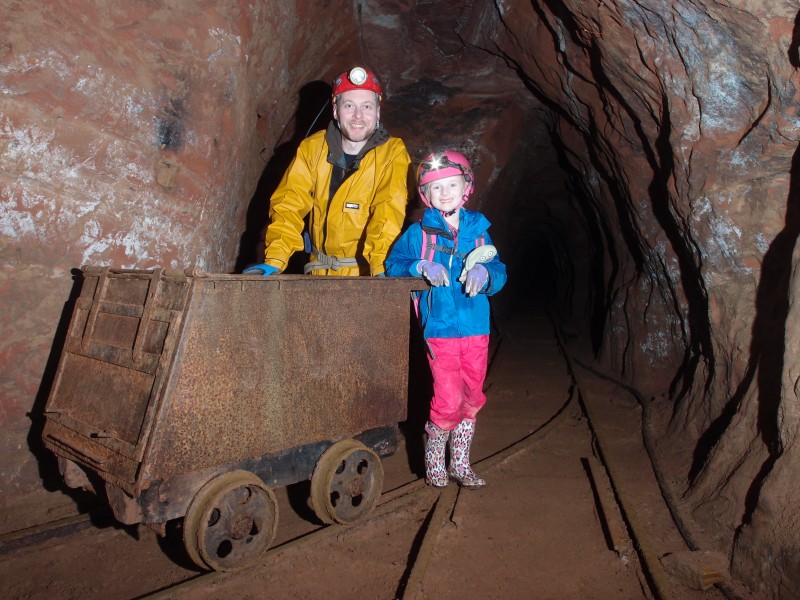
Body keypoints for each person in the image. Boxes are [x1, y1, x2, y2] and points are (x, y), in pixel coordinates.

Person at [385, 150, 507, 489]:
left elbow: (500, 270)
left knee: (473, 397)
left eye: (451, 184)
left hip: (476, 329)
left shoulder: (480, 232)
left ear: (466, 187)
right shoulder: (418, 234)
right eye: (436, 188)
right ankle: (434, 457)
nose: (445, 192)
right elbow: (392, 266)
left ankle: (462, 463)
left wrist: (486, 272)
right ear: (426, 195)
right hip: (439, 329)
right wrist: (420, 266)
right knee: (447, 400)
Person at [244, 66, 411, 277]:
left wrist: (380, 270)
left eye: (367, 106)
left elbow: (388, 211)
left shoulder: (393, 153)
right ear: (335, 110)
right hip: (318, 272)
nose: (358, 115)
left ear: (378, 111)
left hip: (366, 274)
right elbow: (289, 204)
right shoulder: (312, 149)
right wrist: (276, 259)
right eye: (349, 105)